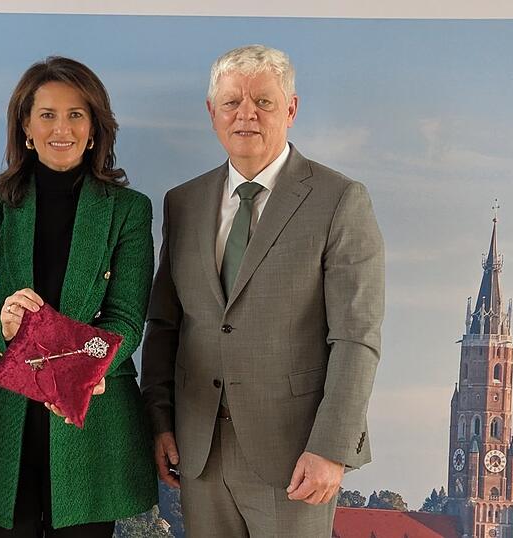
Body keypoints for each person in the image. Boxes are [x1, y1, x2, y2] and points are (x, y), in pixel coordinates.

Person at [141, 44, 384, 537]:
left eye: (264, 102)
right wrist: (161, 419)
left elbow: (356, 338)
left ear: (291, 109)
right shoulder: (182, 203)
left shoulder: (340, 200)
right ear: (212, 113)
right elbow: (166, 324)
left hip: (296, 456)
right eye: (231, 102)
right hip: (199, 449)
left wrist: (331, 447)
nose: (245, 114)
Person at [0, 56, 157, 537]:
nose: (63, 128)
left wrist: (86, 368)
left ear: (96, 128)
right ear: (26, 127)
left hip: (90, 427)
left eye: (77, 114)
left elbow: (124, 322)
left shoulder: (129, 211)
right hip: (0, 428)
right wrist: (2, 326)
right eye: (47, 114)